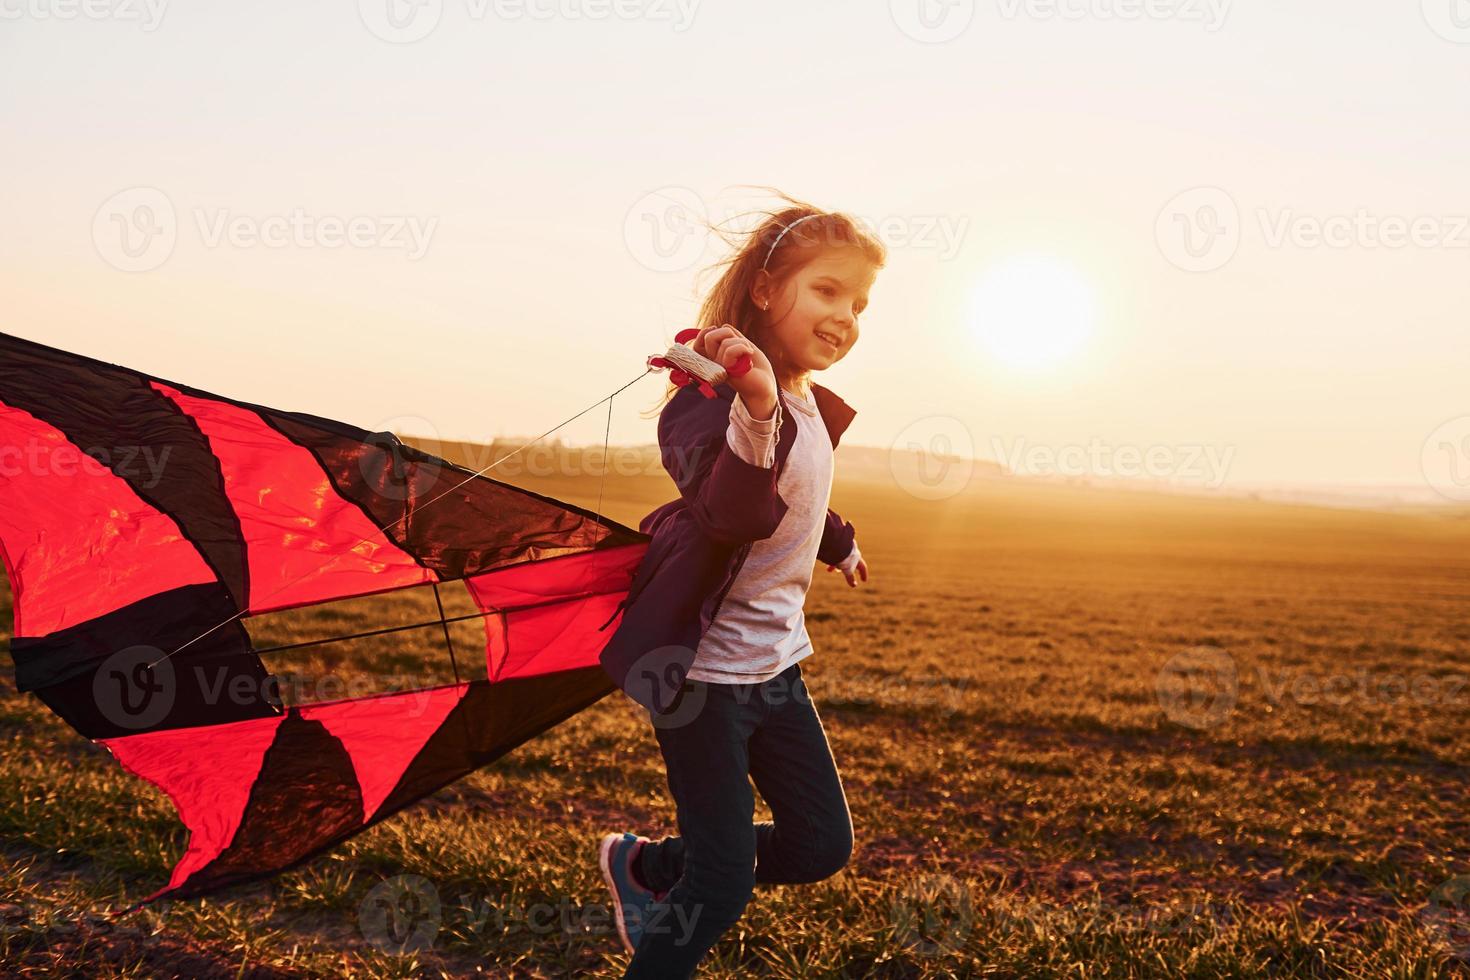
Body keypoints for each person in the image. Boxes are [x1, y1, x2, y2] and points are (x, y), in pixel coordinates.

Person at [595, 194, 886, 977]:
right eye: (827, 291)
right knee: (721, 885)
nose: (846, 316)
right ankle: (673, 887)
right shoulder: (703, 403)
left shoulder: (806, 403)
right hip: (702, 680)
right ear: (764, 289)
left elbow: (801, 497)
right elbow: (729, 514)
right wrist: (752, 405)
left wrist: (840, 542)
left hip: (777, 669)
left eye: (859, 302)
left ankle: (647, 869)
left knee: (821, 844)